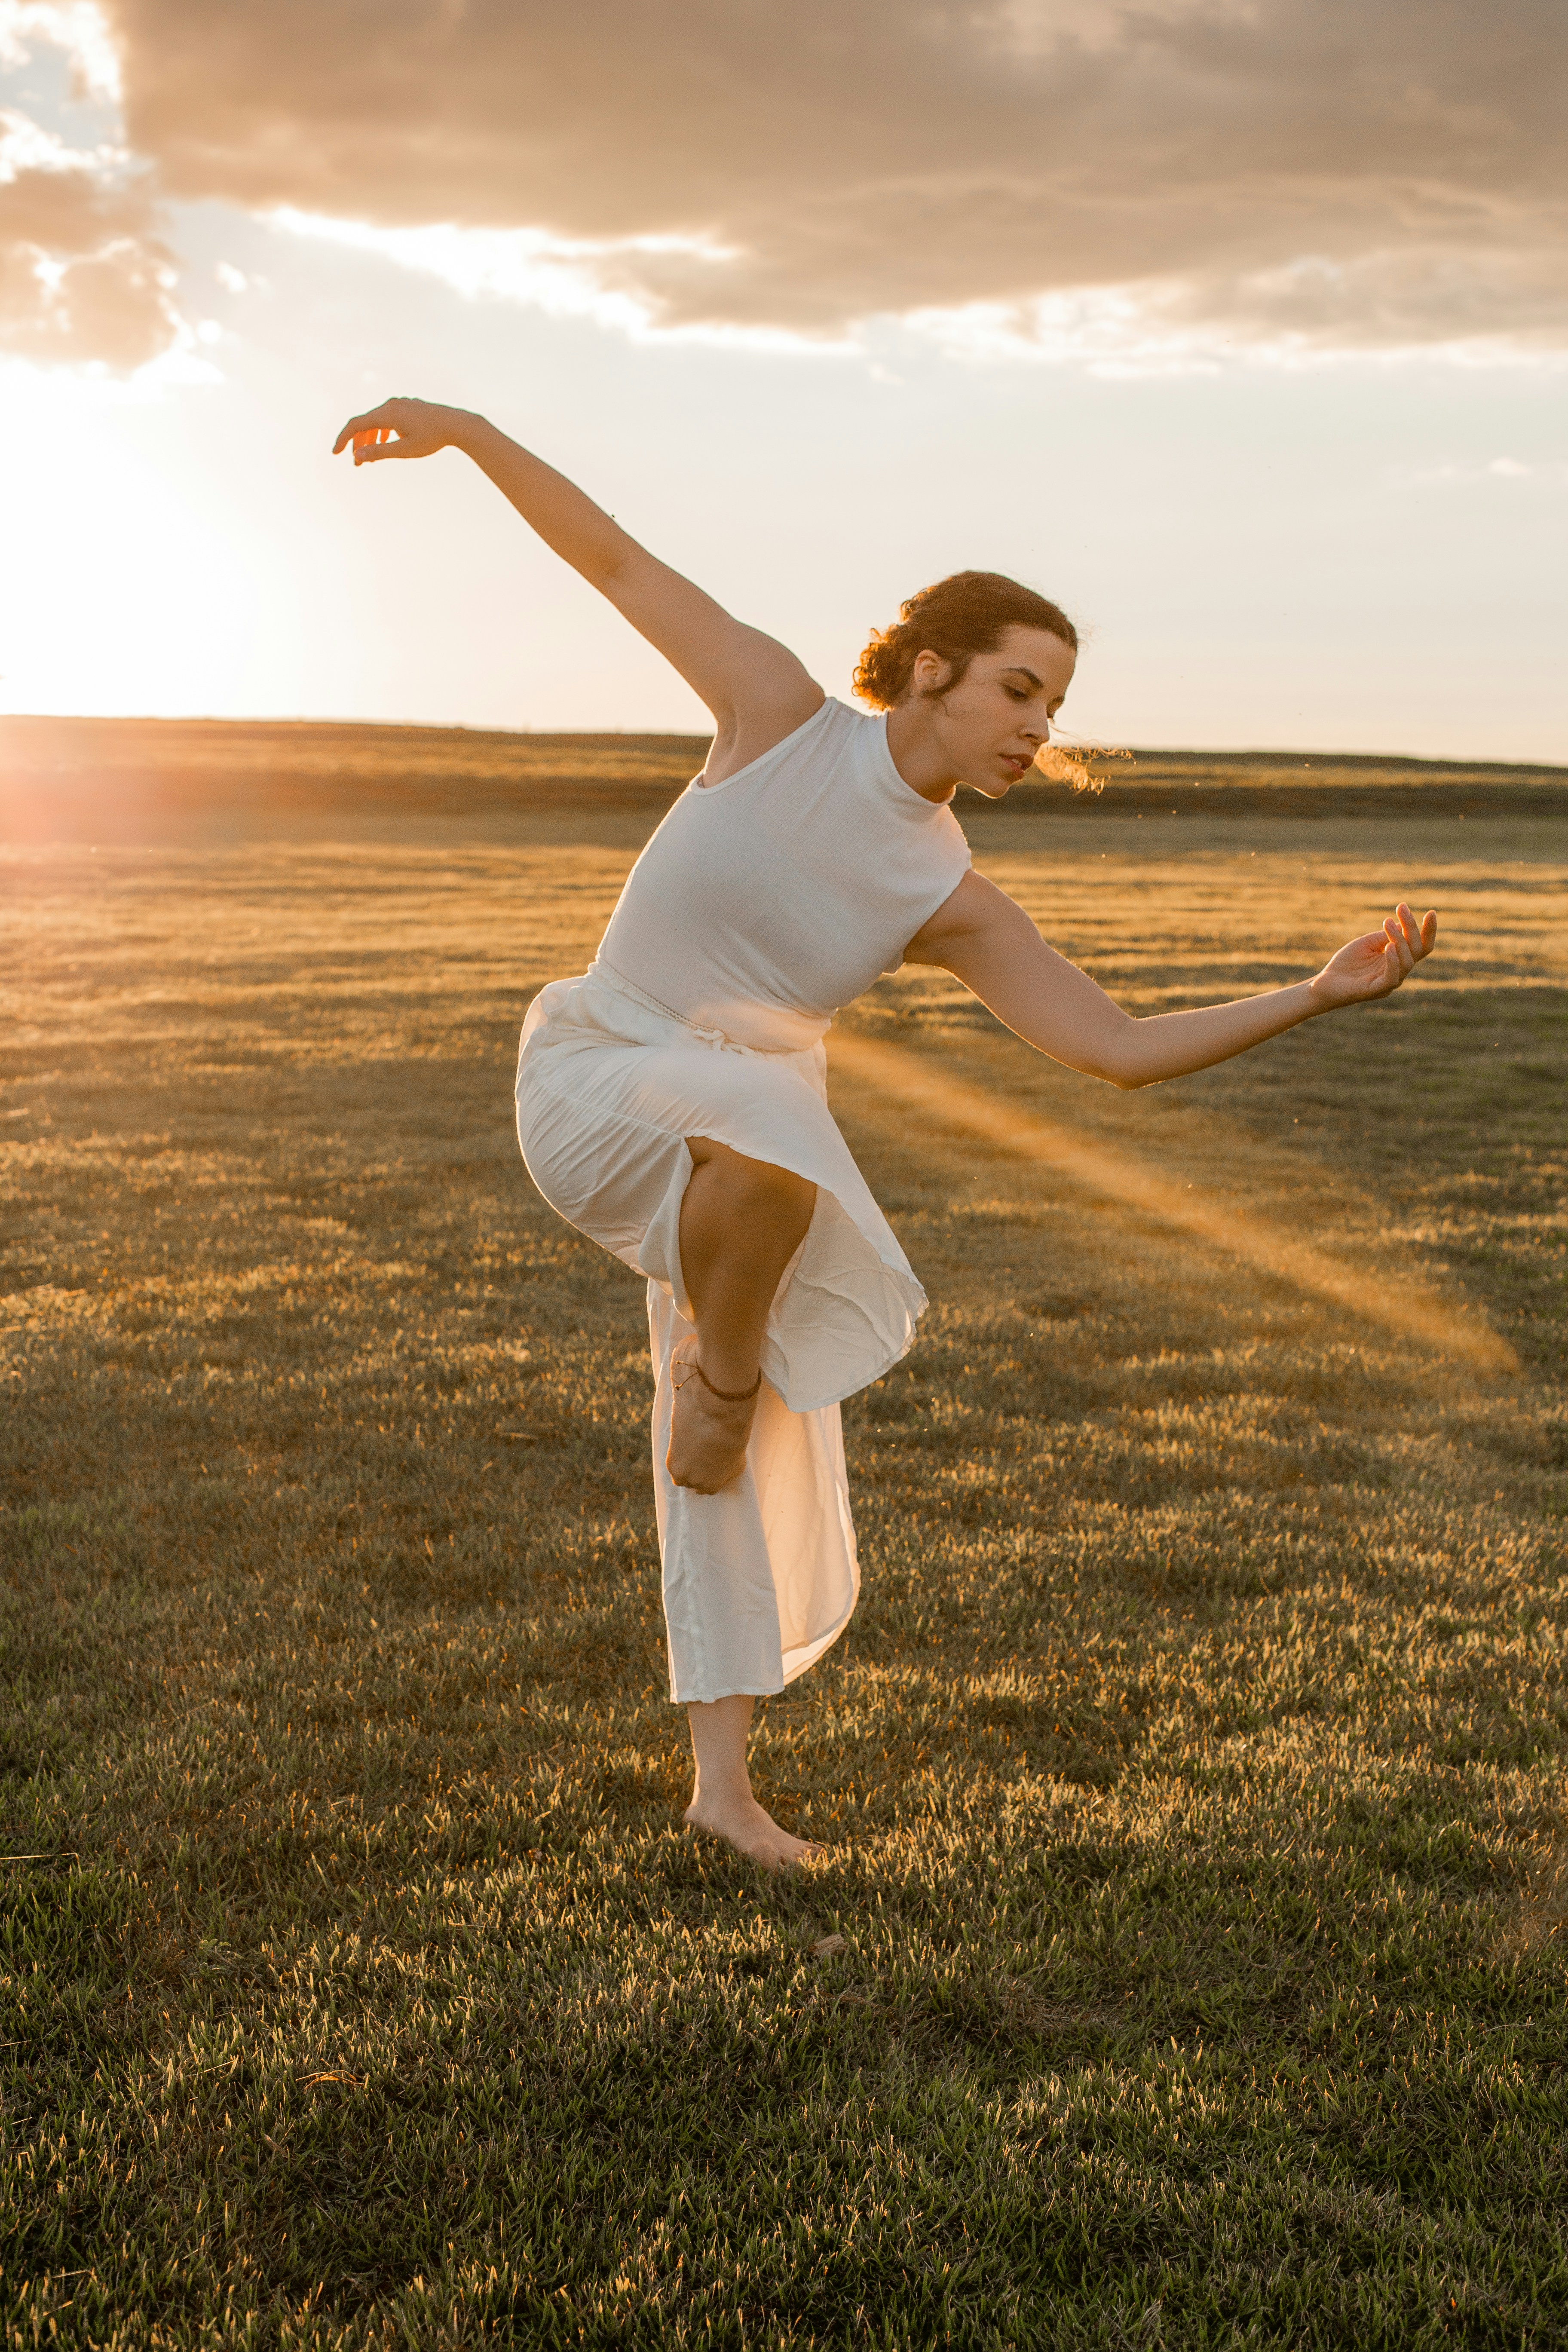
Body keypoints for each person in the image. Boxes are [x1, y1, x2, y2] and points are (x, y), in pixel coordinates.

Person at [334, 398, 1438, 1871]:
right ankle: (718, 1377)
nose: (1042, 728)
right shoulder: (777, 714)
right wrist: (467, 432)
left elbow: (1111, 1051)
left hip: (748, 1171)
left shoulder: (949, 891)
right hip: (600, 1079)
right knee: (781, 1116)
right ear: (932, 671)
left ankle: (723, 1785)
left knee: (749, 1424)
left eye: (1054, 707)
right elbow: (612, 561)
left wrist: (1315, 993)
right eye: (1020, 691)